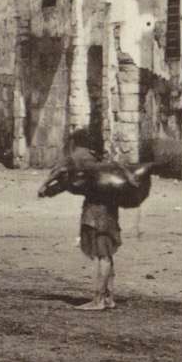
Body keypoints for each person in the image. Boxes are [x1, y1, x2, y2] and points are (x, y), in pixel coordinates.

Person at [52, 127, 122, 310]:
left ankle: (98, 300)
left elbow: (80, 187)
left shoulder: (87, 164)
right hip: (109, 213)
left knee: (103, 256)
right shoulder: (103, 163)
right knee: (106, 254)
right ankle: (108, 298)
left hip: (97, 214)